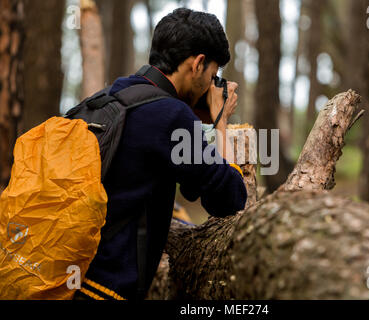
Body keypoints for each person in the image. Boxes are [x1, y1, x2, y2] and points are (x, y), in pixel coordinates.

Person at [74, 8, 247, 300]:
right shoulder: (170, 115)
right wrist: (220, 120)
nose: (210, 84)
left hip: (67, 278)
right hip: (104, 291)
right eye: (212, 75)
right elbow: (229, 197)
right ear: (198, 64)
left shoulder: (111, 98)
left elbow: (192, 186)